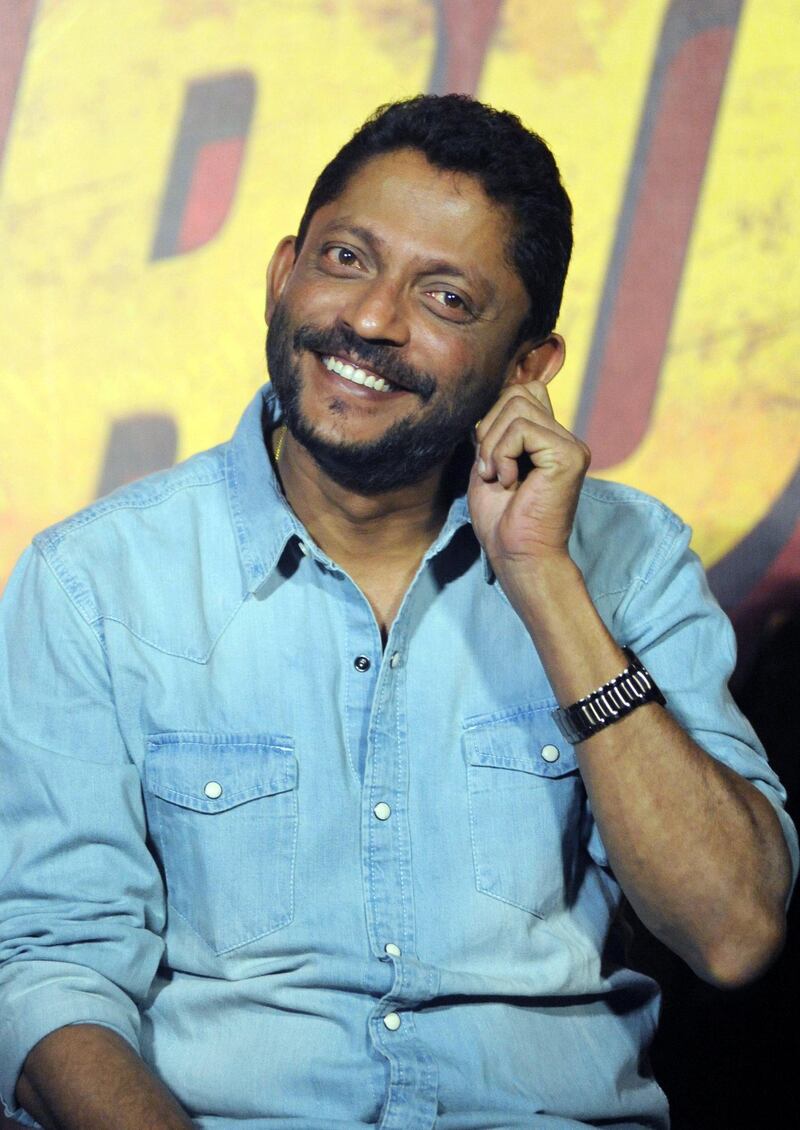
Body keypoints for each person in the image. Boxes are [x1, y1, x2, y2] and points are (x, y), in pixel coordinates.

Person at [0, 94, 795, 1130]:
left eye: (446, 298)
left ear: (526, 369)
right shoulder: (93, 580)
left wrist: (543, 579)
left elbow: (731, 928)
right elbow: (52, 971)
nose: (371, 319)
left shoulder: (628, 558)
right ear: (283, 271)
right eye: (344, 259)